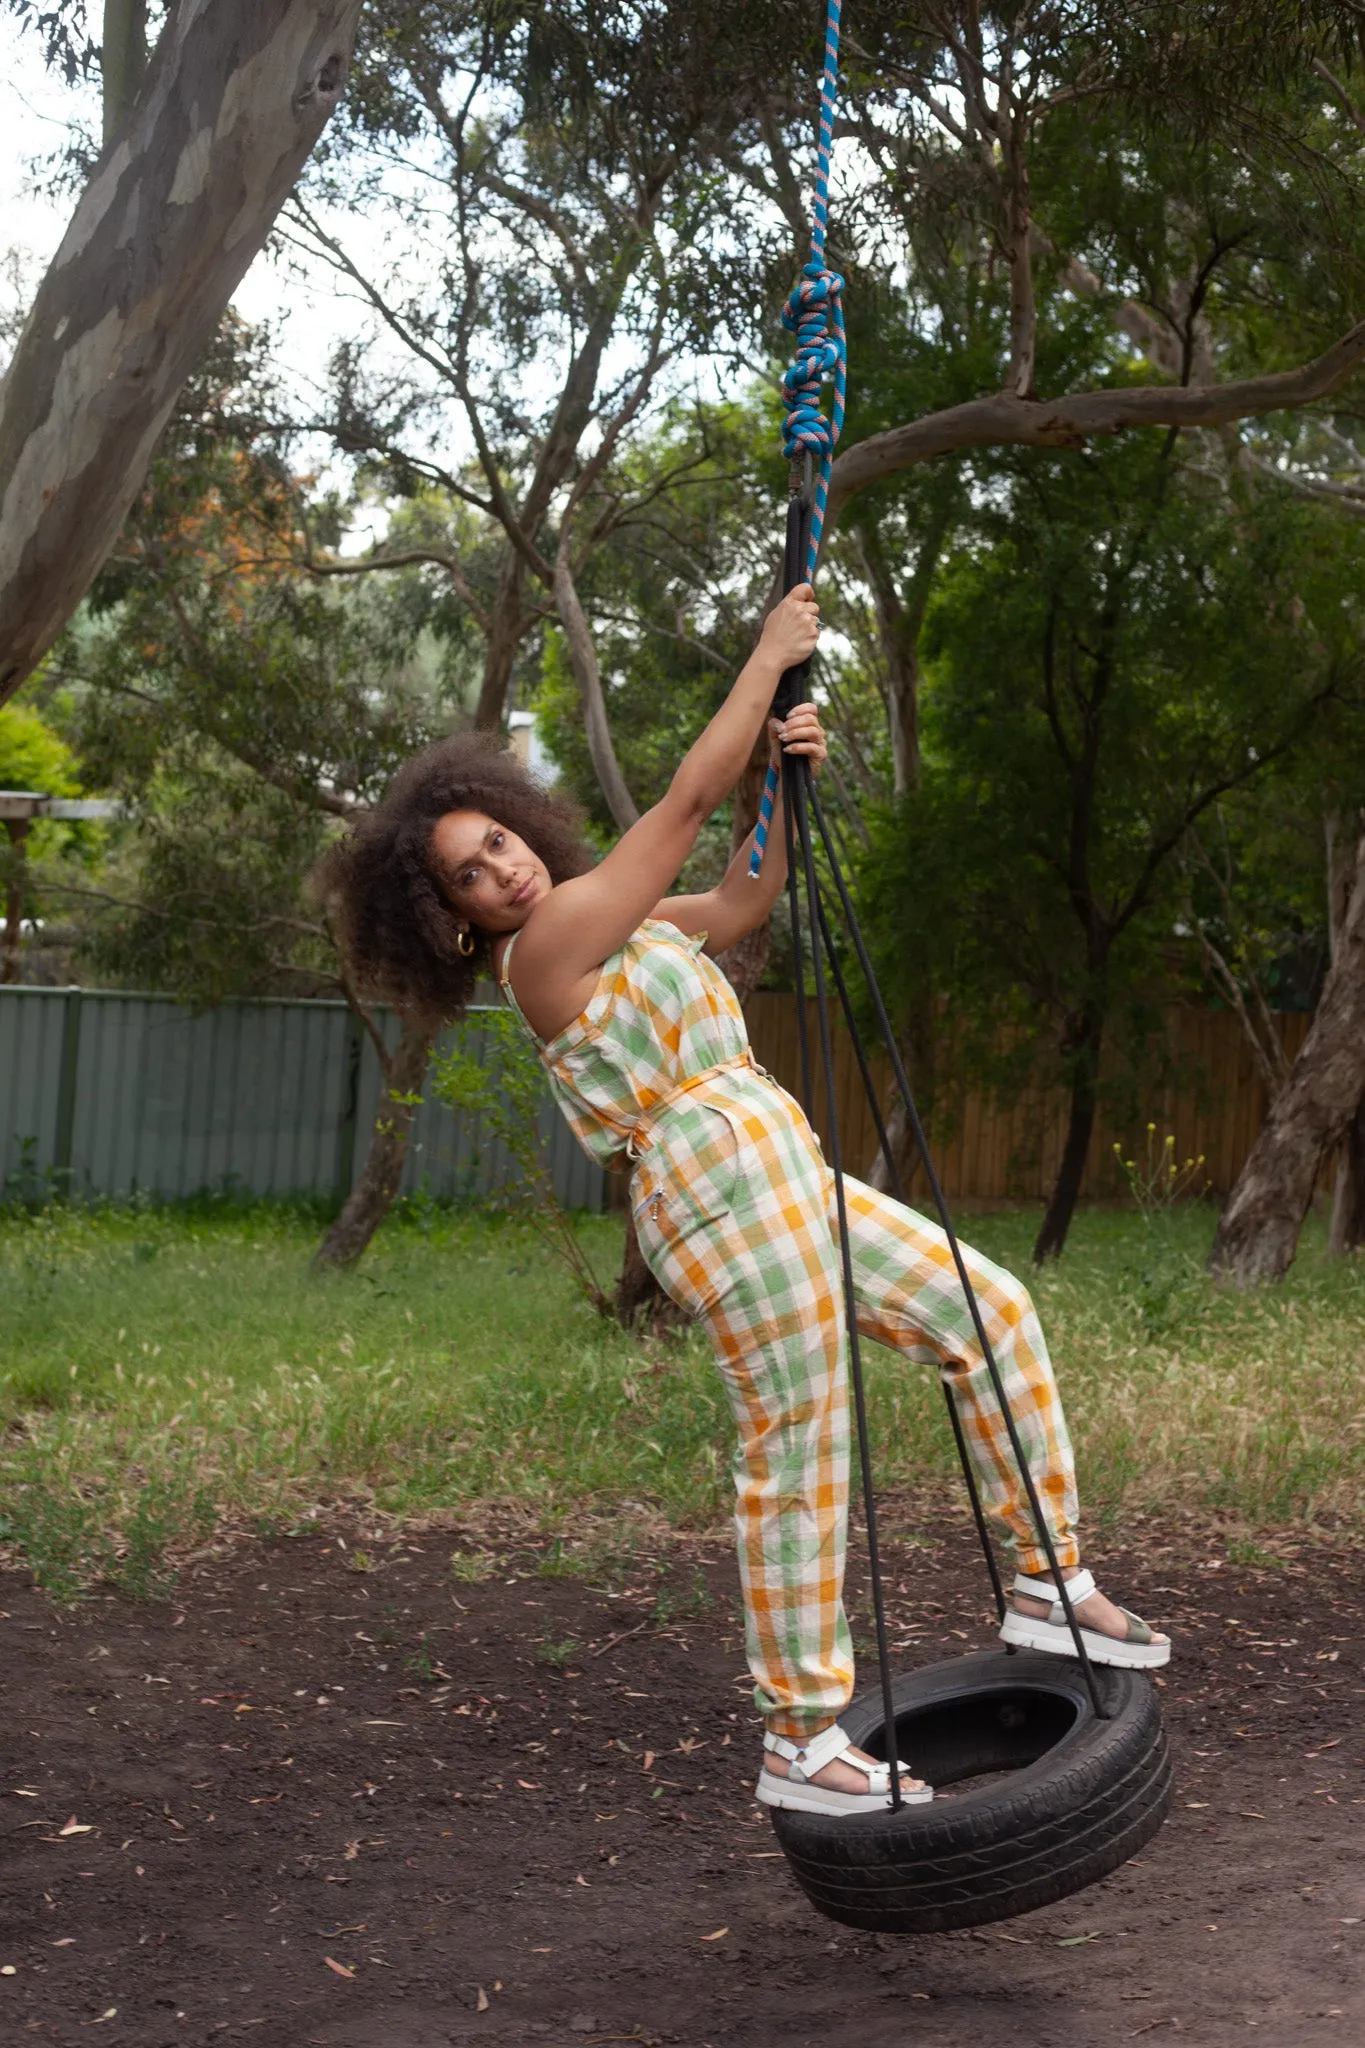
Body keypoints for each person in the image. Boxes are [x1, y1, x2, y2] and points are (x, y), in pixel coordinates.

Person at [323, 582, 1170, 1820]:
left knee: (989, 1312)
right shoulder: (545, 954)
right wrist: (769, 655)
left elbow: (736, 900)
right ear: (447, 921)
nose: (499, 868)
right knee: (804, 1434)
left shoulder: (616, 923)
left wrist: (786, 769)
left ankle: (1044, 1578)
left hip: (784, 1155)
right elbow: (678, 807)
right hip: (712, 1185)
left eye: (498, 841)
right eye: (467, 874)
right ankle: (803, 1732)